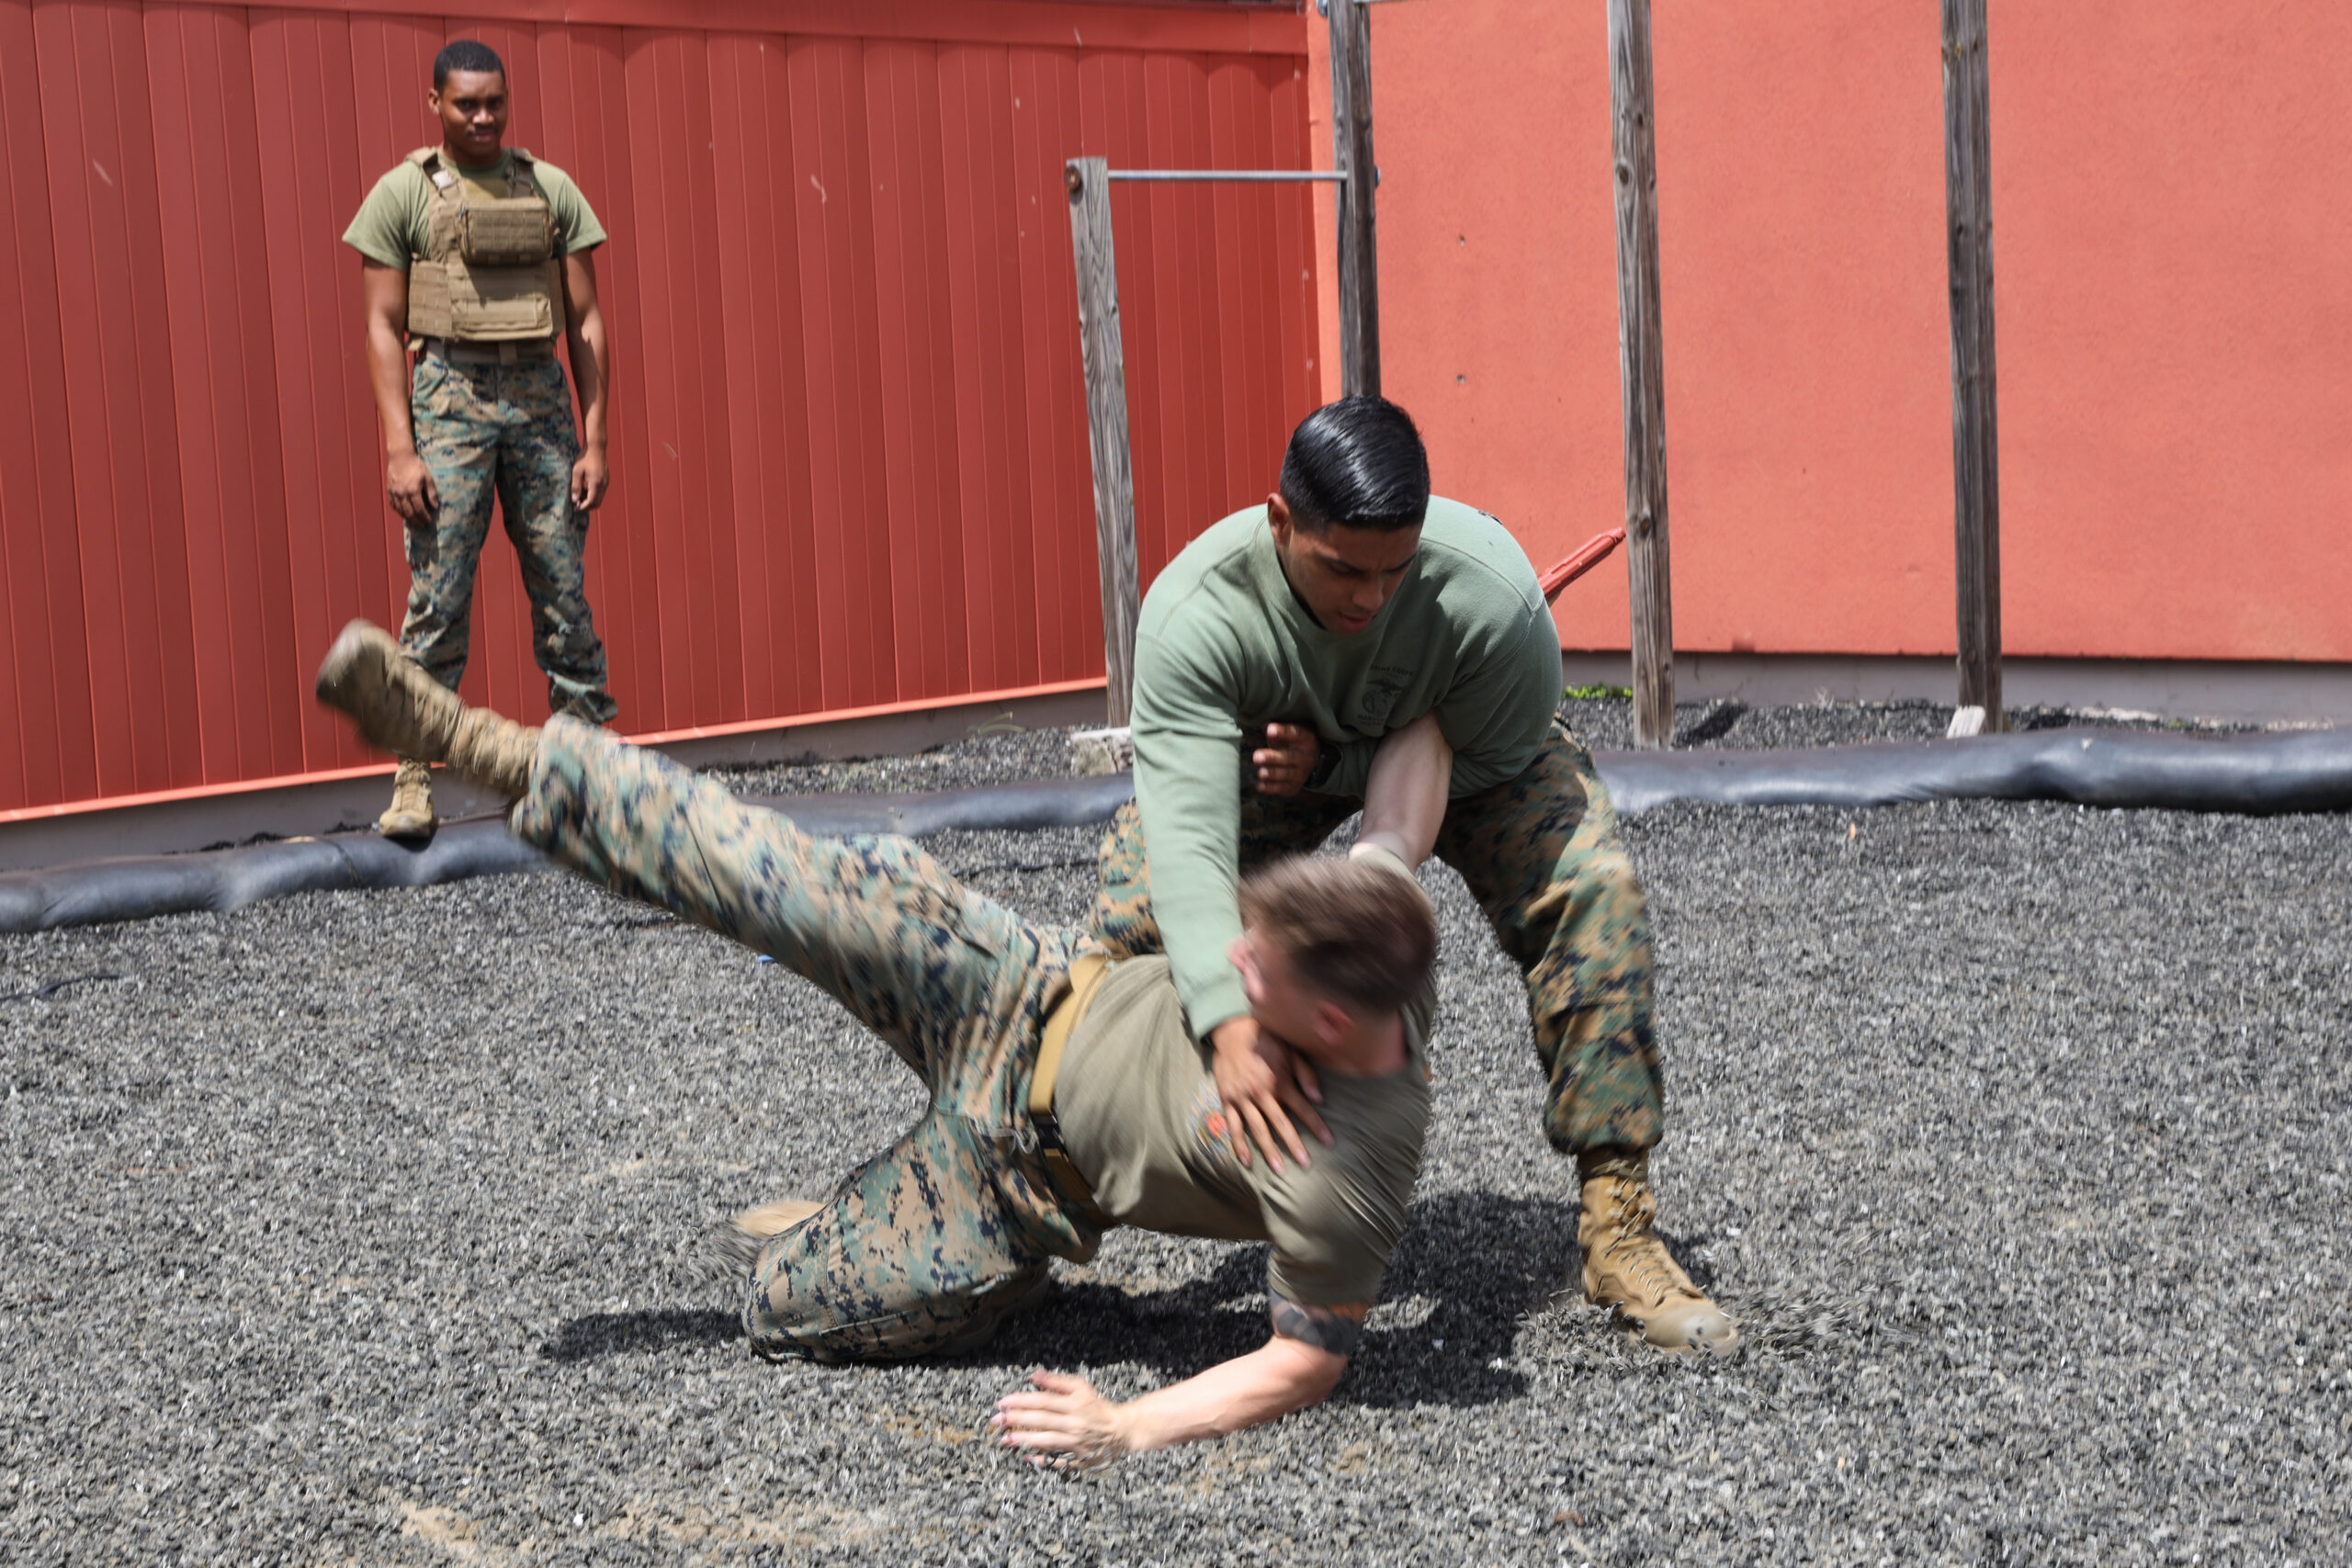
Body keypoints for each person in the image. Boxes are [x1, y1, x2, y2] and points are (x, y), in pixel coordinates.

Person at [312, 619, 1457, 1466]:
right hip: (1022, 980)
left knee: (787, 1308)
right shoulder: (1374, 929)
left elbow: (1307, 1361)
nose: (1228, 968)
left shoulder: (1345, 1178)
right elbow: (1408, 788)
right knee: (778, 882)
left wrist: (1129, 1423)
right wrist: (1433, 652)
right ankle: (490, 749)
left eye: (1255, 974)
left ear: (1329, 1027)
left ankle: (961, 1276)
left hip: (1011, 1173)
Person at [1093, 395, 1738, 1354]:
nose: (1368, 599)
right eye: (1342, 570)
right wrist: (1229, 1021)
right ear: (1281, 523)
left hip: (1462, 751)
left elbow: (1497, 755)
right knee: (1137, 918)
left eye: (1394, 573)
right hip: (1264, 759)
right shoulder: (1197, 614)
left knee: (1595, 895)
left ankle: (1619, 1228)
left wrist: (1345, 777)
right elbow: (1187, 841)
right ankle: (1038, 1186)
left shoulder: (1489, 598)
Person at [342, 38, 619, 841]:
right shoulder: (403, 193)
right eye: (466, 103)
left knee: (563, 597)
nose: (484, 116)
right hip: (449, 399)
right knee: (438, 600)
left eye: (495, 101)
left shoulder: (549, 189)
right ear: (435, 104)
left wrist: (595, 440)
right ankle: (414, 776)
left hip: (540, 402)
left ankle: (586, 776)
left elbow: (588, 322)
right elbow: (381, 326)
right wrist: (401, 447)